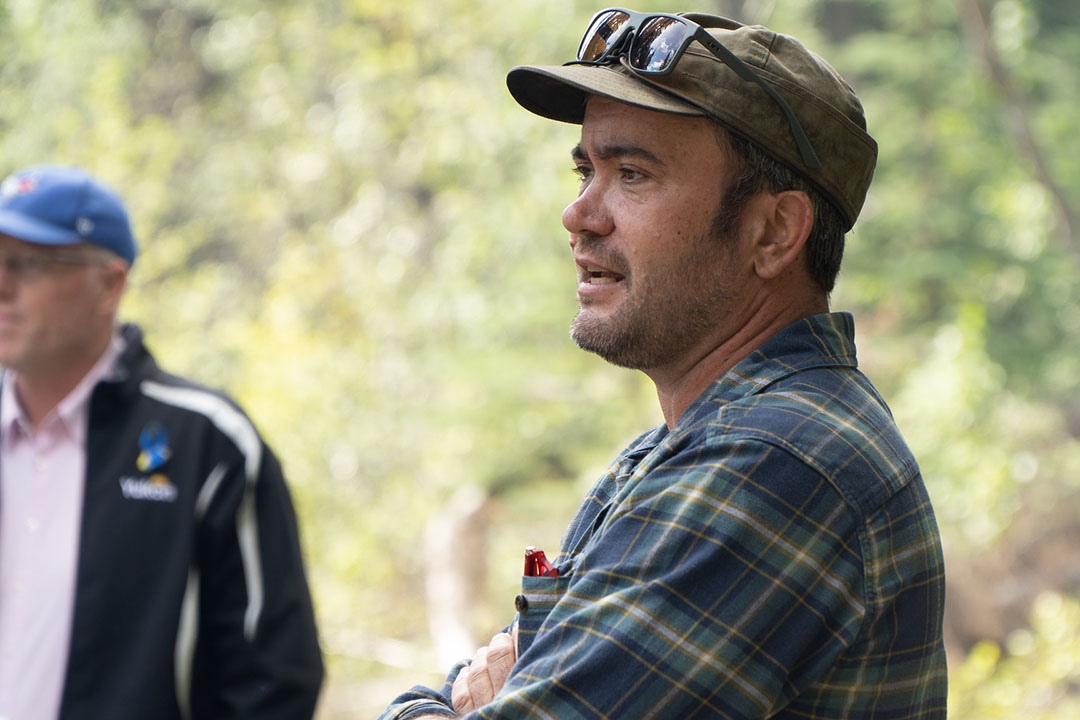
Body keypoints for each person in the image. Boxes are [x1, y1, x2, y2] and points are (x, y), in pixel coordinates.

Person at [379, 9, 947, 720]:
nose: (579, 213)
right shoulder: (671, 456)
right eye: (587, 169)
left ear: (773, 232)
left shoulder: (770, 466)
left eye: (634, 173)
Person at [0, 165, 324, 720]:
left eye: (29, 264)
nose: (3, 285)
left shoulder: (207, 443)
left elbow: (274, 683)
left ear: (110, 284)